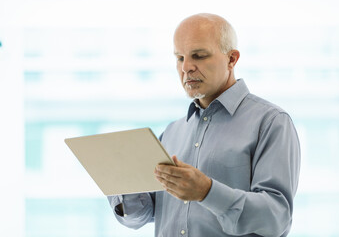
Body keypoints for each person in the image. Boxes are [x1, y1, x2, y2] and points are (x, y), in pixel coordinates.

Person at [108, 13, 301, 237]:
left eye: (198, 56)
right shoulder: (172, 132)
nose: (186, 68)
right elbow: (143, 215)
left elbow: (275, 219)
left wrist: (207, 192)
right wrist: (122, 186)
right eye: (179, 58)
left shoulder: (271, 122)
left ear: (232, 59)